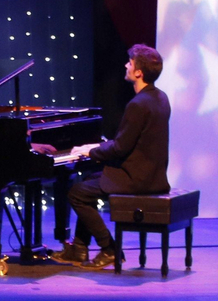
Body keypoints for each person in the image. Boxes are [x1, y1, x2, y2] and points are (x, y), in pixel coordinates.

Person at [50, 44, 171, 269]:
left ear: (138, 73)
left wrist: (91, 151)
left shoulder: (138, 105)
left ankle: (109, 249)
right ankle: (78, 249)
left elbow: (120, 149)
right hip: (152, 175)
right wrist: (94, 146)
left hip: (137, 179)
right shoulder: (160, 98)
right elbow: (130, 143)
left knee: (76, 193)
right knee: (87, 182)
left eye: (130, 62)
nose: (126, 65)